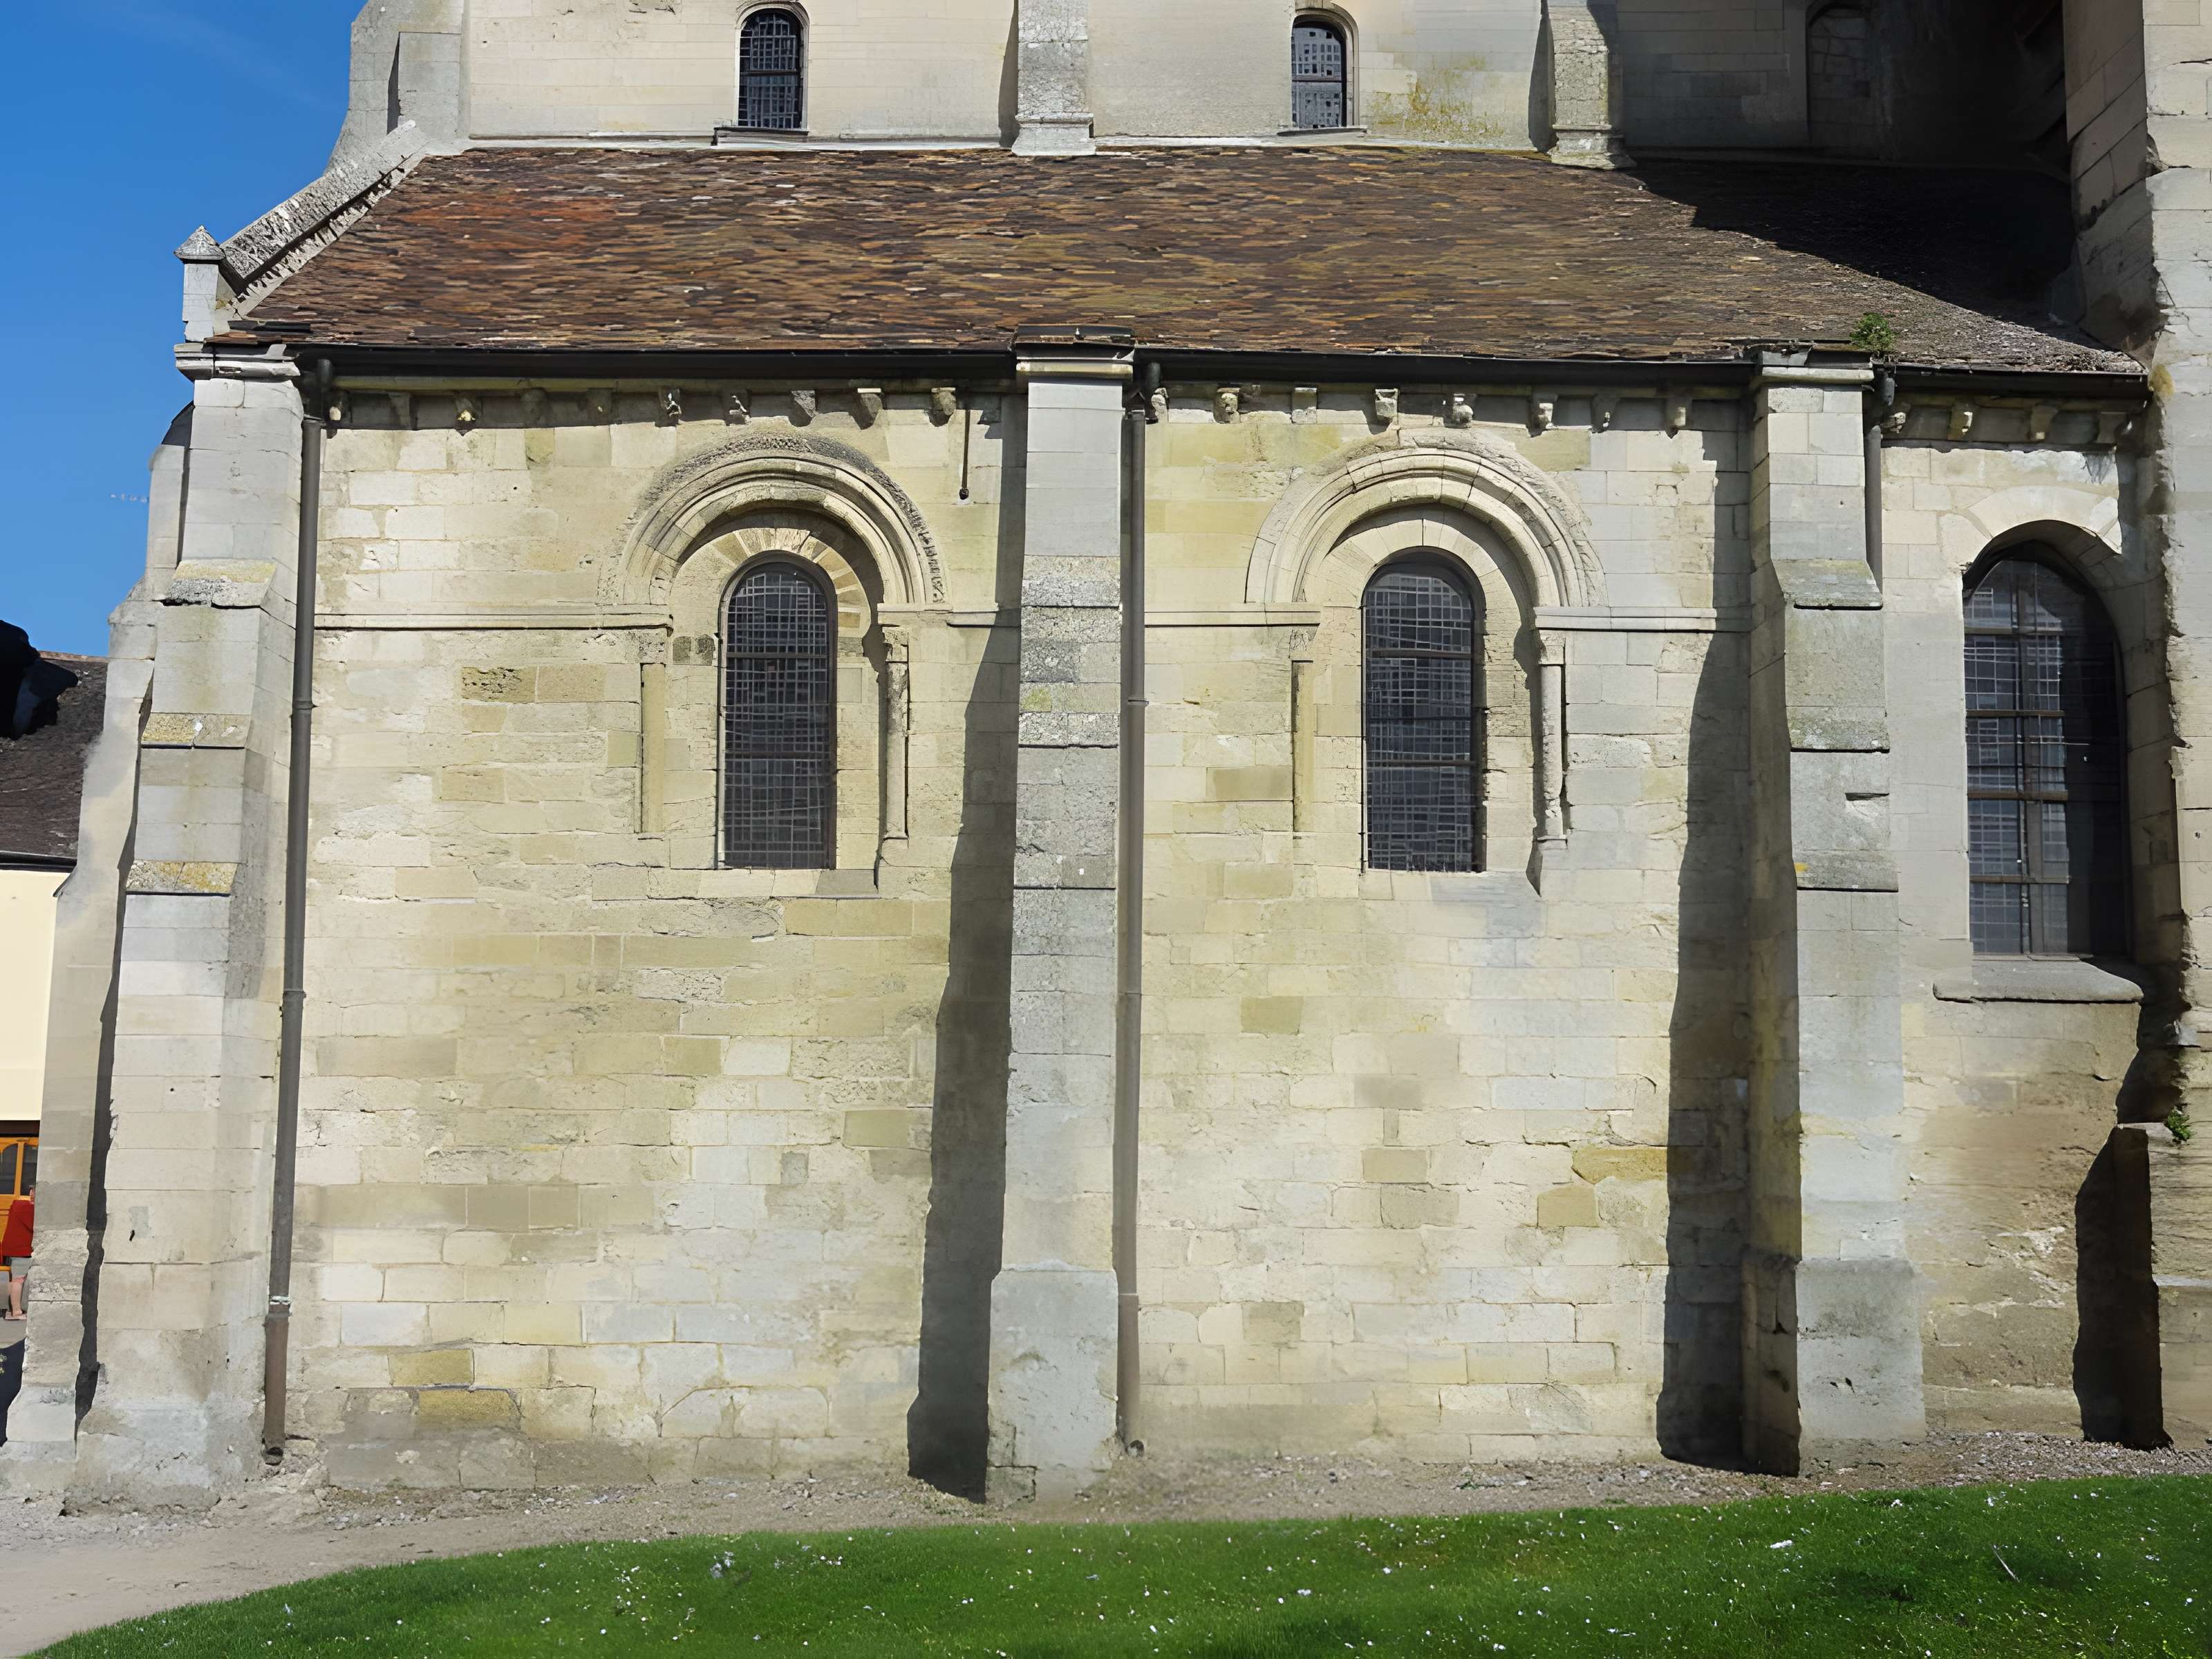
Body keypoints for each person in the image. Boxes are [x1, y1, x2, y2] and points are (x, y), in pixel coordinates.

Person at [2, 1188, 32, 1320]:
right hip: (23, 1250)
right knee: (18, 1281)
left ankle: (12, 1310)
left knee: (15, 1280)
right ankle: (16, 1312)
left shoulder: (17, 1205)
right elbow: (34, 1227)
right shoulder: (32, 1210)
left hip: (13, 1249)